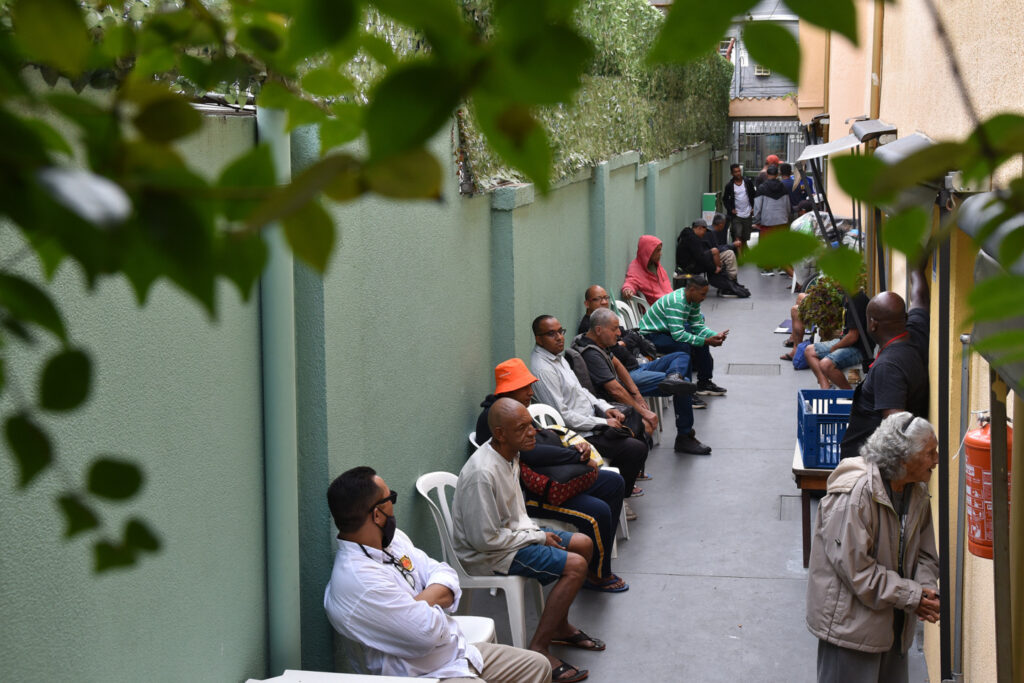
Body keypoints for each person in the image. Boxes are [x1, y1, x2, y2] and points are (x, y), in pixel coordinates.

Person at [324, 466, 550, 682]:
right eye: (390, 498)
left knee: (538, 666)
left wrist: (418, 604)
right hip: (422, 675)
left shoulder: (392, 541)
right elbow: (426, 636)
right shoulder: (359, 582)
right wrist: (434, 602)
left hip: (457, 652)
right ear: (377, 514)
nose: (394, 506)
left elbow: (444, 571)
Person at [454, 398, 604, 683]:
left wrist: (536, 534)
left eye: (531, 425)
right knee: (575, 566)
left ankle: (559, 626)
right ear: (500, 433)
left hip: (516, 536)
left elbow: (514, 519)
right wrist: (538, 536)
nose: (533, 431)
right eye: (522, 428)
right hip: (492, 554)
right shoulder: (482, 473)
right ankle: (539, 647)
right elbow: (485, 540)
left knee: (583, 543)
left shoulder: (510, 453)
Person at [806, 413, 940, 683]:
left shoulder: (916, 490)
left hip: (894, 625)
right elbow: (858, 572)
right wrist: (913, 596)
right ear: (903, 458)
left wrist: (927, 589)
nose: (936, 460)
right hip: (851, 630)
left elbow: (925, 553)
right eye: (930, 453)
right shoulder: (855, 496)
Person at [475, 357, 630, 581]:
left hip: (554, 478)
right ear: (511, 390)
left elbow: (542, 442)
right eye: (525, 387)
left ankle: (598, 560)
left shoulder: (518, 409)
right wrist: (576, 455)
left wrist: (575, 453)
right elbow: (531, 453)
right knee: (597, 511)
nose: (531, 392)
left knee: (613, 482)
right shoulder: (494, 419)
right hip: (531, 493)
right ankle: (597, 575)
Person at [530, 315, 650, 496]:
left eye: (560, 332)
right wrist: (600, 423)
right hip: (578, 434)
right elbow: (563, 416)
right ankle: (618, 493)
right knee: (635, 448)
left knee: (634, 421)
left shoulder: (558, 358)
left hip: (590, 420)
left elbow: (582, 391)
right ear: (538, 339)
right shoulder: (543, 368)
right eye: (551, 334)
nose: (559, 337)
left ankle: (621, 484)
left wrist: (606, 408)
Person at [575, 308, 710, 454]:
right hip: (623, 383)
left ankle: (674, 377)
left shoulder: (595, 340)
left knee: (681, 356)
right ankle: (684, 436)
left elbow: (618, 364)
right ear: (599, 329)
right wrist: (644, 413)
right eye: (615, 329)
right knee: (683, 385)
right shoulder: (591, 353)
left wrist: (637, 394)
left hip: (636, 368)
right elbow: (615, 390)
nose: (619, 333)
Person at [839, 265, 930, 460]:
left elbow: (895, 432)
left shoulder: (888, 368)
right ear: (904, 318)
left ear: (873, 324)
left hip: (868, 471)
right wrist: (917, 268)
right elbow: (920, 299)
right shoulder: (915, 332)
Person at [637, 276, 729, 399]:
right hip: (651, 335)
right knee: (683, 346)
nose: (704, 298)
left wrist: (713, 335)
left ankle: (704, 382)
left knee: (699, 339)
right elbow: (678, 335)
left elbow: (697, 325)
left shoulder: (693, 301)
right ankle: (686, 392)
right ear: (692, 290)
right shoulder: (677, 302)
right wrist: (705, 341)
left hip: (666, 331)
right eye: (702, 294)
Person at [804, 290, 873, 390]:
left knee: (826, 364)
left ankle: (850, 395)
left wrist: (836, 347)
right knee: (809, 351)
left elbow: (853, 337)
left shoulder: (857, 302)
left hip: (860, 348)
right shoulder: (846, 297)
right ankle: (826, 388)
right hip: (847, 341)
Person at [676, 218, 749, 298]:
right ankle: (726, 282)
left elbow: (700, 255)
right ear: (699, 228)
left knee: (722, 253)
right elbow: (700, 258)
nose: (704, 234)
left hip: (693, 262)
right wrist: (714, 268)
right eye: (704, 231)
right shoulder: (693, 239)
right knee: (715, 252)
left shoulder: (690, 235)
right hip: (691, 266)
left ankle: (730, 281)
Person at [753, 164, 794, 279]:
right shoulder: (783, 188)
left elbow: (757, 206)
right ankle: (783, 268)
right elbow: (787, 205)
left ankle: (768, 268)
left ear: (767, 174)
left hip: (767, 221)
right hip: (782, 220)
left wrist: (757, 220)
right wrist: (786, 217)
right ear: (777, 174)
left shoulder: (762, 188)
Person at [621, 234, 672, 305]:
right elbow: (631, 281)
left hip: (669, 304)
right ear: (648, 251)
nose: (661, 254)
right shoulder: (636, 268)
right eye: (658, 251)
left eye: (660, 250)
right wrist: (627, 289)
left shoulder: (657, 266)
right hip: (656, 310)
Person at [723, 163, 757, 253]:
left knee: (745, 236)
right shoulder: (729, 186)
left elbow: (754, 195)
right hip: (736, 215)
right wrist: (731, 210)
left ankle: (745, 249)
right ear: (732, 173)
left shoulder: (747, 182)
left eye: (739, 171)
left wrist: (753, 208)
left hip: (747, 213)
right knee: (737, 235)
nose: (738, 173)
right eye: (735, 172)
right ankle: (740, 257)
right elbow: (725, 199)